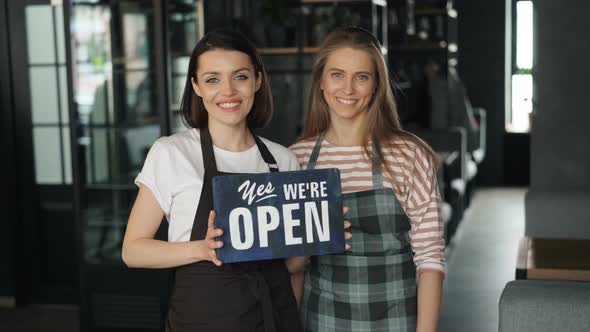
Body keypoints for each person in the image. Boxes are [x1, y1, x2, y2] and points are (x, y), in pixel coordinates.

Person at [122, 29, 303, 332]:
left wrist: (325, 231)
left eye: (240, 77)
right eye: (213, 79)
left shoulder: (283, 161)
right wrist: (200, 249)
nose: (228, 91)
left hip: (274, 317)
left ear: (258, 80)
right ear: (196, 86)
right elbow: (133, 251)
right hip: (201, 319)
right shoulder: (173, 153)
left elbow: (294, 265)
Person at [289, 26, 445, 331]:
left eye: (361, 77)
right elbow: (294, 269)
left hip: (397, 319)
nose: (348, 89)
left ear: (376, 85)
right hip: (321, 320)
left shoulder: (409, 155)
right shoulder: (296, 160)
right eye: (337, 75)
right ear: (320, 81)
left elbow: (430, 260)